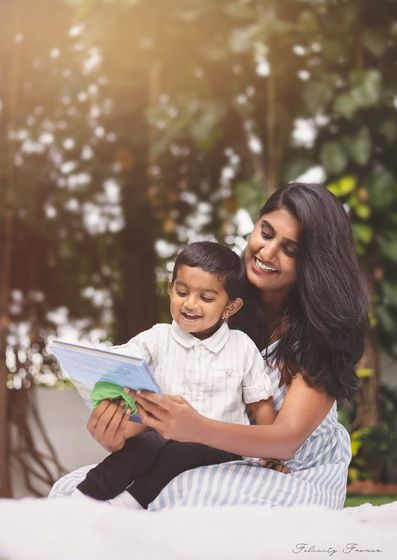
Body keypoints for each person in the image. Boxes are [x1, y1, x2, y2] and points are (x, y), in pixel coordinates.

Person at [50, 182, 368, 510]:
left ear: (314, 262)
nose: (268, 253)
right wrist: (117, 434)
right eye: (266, 232)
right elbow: (175, 401)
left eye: (290, 249)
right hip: (200, 453)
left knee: (184, 495)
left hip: (293, 470)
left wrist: (197, 429)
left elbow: (285, 440)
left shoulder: (323, 330)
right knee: (71, 487)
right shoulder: (218, 296)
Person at [72, 241, 275, 508]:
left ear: (230, 308)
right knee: (143, 446)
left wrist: (270, 456)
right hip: (162, 437)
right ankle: (82, 497)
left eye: (206, 298)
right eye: (182, 292)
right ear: (170, 289)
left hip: (221, 446)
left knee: (181, 449)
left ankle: (130, 503)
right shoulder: (158, 338)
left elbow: (261, 405)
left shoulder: (241, 346)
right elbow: (124, 357)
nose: (190, 304)